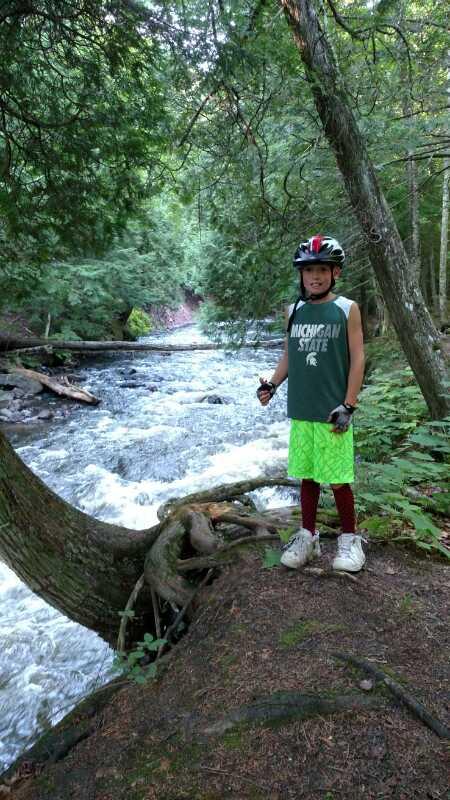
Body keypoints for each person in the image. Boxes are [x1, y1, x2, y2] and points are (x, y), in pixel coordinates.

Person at [257, 234, 365, 573]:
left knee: (339, 479)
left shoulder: (347, 309)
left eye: (322, 269)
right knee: (306, 476)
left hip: (334, 412)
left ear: (335, 273)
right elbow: (289, 354)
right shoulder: (295, 311)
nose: (314, 276)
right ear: (300, 276)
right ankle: (308, 536)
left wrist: (349, 404)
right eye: (308, 271)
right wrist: (272, 384)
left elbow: (358, 358)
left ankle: (350, 539)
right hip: (302, 410)